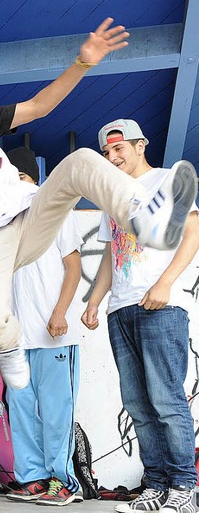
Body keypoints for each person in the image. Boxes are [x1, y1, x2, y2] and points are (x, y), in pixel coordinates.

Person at [0, 18, 198, 391]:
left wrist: (83, 63)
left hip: (29, 212)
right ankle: (8, 346)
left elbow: (38, 106)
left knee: (81, 160)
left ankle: (141, 218)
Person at [82, 119, 199, 513]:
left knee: (167, 400)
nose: (114, 157)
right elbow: (110, 257)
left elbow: (194, 231)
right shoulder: (112, 197)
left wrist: (165, 283)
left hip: (162, 307)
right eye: (107, 153)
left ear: (140, 145)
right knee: (137, 404)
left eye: (120, 149)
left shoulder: (168, 180)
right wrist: (95, 301)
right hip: (121, 310)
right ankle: (156, 486)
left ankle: (184, 487)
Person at [3, 147, 83, 506]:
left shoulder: (55, 209)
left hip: (53, 335)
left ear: (28, 178)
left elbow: (74, 266)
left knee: (56, 412)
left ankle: (64, 482)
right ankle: (33, 478)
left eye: (15, 178)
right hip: (15, 339)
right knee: (20, 412)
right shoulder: (5, 222)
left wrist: (61, 312)